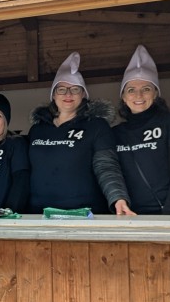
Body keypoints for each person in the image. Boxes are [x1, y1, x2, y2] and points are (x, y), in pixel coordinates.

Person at [27, 51, 135, 215]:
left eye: (75, 89)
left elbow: (106, 166)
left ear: (83, 94)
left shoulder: (96, 126)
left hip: (84, 214)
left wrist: (118, 197)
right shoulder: (37, 129)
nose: (68, 94)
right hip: (40, 214)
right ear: (53, 94)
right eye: (61, 89)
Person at [114, 45, 170, 214]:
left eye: (146, 89)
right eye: (131, 90)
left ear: (155, 94)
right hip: (127, 214)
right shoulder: (115, 133)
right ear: (124, 97)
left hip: (165, 212)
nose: (138, 95)